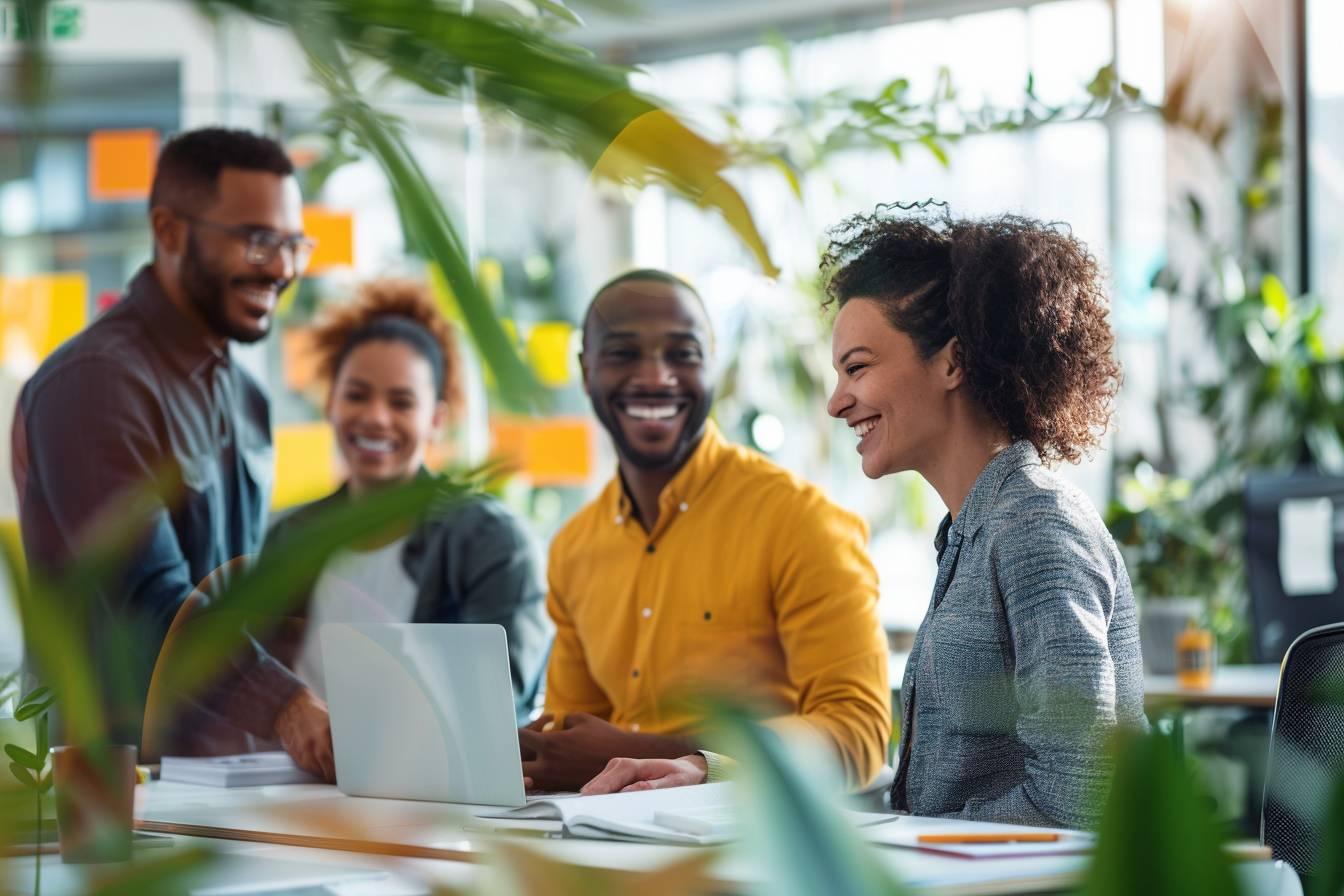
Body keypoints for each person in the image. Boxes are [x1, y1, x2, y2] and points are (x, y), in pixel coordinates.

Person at [583, 212, 1146, 831]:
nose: (836, 400)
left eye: (857, 367)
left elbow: (1080, 799)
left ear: (953, 363)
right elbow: (922, 801)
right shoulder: (974, 530)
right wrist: (707, 771)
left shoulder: (1037, 528)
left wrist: (896, 846)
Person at [12, 127, 330, 773]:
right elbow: (152, 599)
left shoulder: (246, 395)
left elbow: (234, 594)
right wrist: (287, 705)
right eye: (257, 239)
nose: (283, 267)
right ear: (170, 230)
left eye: (295, 243)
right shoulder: (95, 383)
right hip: (101, 788)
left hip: (222, 777)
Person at [519, 269, 890, 793]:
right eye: (624, 353)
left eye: (682, 354)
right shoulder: (575, 547)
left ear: (713, 364)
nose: (655, 377)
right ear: (586, 372)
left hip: (748, 844)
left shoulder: (800, 521)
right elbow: (569, 739)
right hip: (607, 846)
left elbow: (860, 735)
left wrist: (664, 756)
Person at [257, 279, 549, 722]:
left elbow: (497, 709)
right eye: (357, 395)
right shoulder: (291, 539)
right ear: (330, 402)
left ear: (436, 419)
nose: (376, 417)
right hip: (291, 786)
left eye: (402, 402)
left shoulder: (491, 543)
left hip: (427, 788)